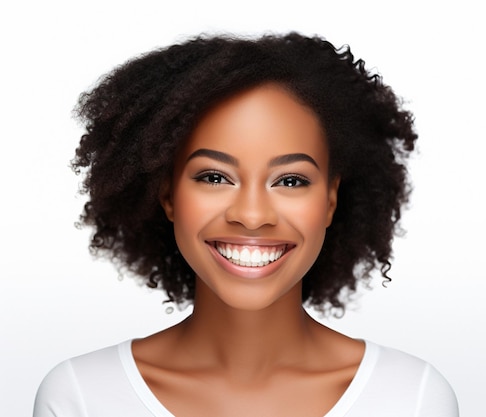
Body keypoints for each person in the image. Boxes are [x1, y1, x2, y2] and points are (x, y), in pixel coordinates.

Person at [33, 32, 458, 416]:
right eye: (214, 177)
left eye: (290, 180)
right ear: (167, 196)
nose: (252, 215)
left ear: (330, 200)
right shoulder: (81, 397)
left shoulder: (411, 398)